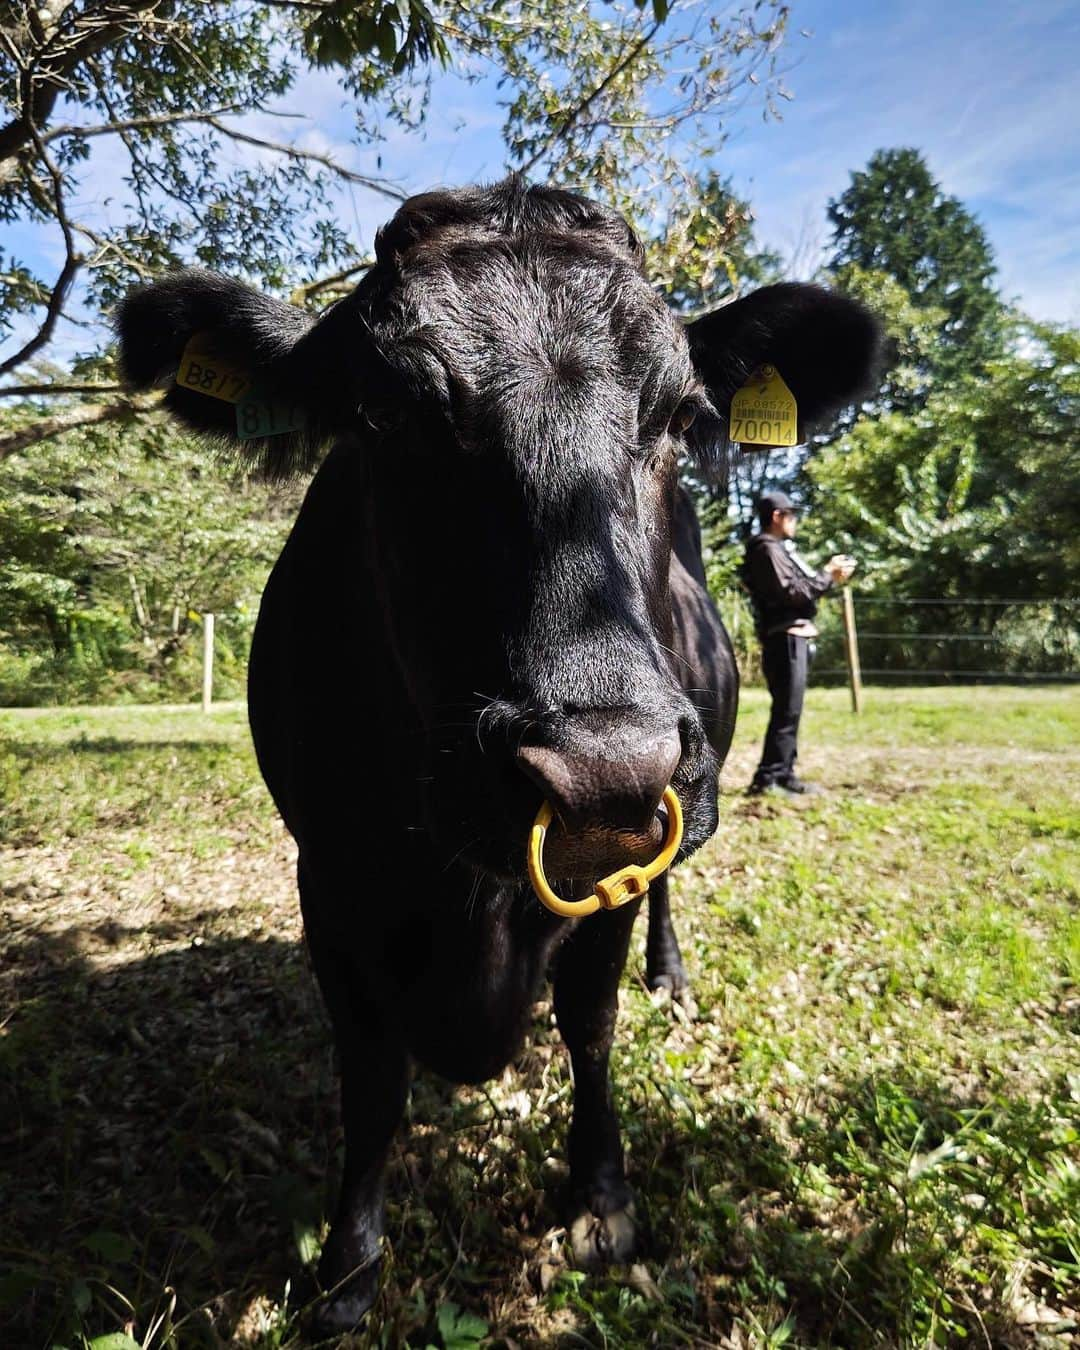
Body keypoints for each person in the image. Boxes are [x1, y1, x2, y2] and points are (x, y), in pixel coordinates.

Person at [742, 490, 855, 796]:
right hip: (785, 639)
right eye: (792, 515)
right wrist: (827, 576)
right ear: (778, 517)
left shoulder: (777, 549)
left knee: (791, 711)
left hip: (793, 638)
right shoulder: (766, 549)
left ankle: (784, 772)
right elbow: (792, 593)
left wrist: (826, 578)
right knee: (786, 710)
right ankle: (768, 778)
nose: (795, 521)